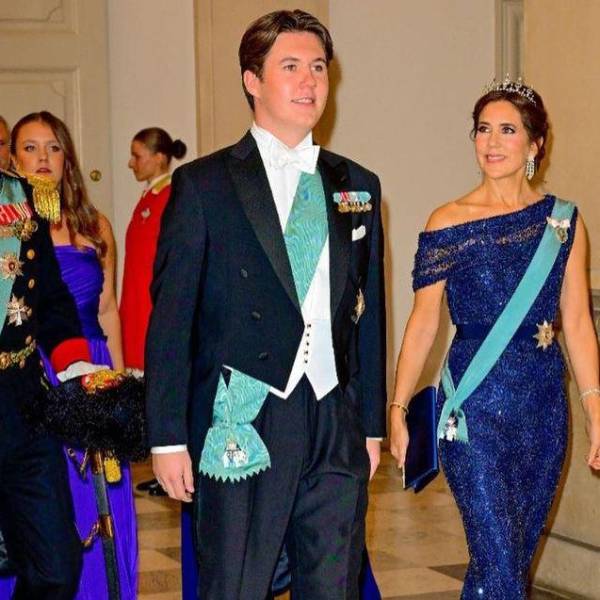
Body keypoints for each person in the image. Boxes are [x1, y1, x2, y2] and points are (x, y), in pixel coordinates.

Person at [146, 9, 386, 600]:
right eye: (291, 66)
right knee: (236, 585)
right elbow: (171, 321)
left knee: (334, 585)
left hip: (333, 415)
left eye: (319, 68)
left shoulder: (358, 184)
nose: (310, 82)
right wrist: (167, 438)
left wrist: (371, 424)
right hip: (244, 414)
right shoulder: (203, 185)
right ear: (252, 80)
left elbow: (369, 314)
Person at [390, 79, 600, 599]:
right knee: (501, 564)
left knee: (503, 567)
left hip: (544, 409)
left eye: (507, 130)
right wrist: (397, 405)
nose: (491, 142)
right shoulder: (448, 221)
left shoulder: (564, 223)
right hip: (471, 412)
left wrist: (596, 411)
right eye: (483, 129)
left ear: (534, 145)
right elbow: (424, 322)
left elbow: (577, 322)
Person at [0, 111, 138, 599]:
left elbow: (63, 302)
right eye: (25, 147)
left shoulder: (28, 203)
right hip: (26, 393)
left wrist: (87, 369)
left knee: (58, 562)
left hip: (34, 397)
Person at [0, 173, 92, 596]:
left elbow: (51, 299)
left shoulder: (23, 196)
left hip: (24, 407)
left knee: (55, 568)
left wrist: (77, 368)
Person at [120, 127, 186, 371]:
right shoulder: (150, 197)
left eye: (137, 156)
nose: (131, 163)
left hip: (152, 306)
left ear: (158, 158)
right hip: (137, 304)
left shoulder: (170, 197)